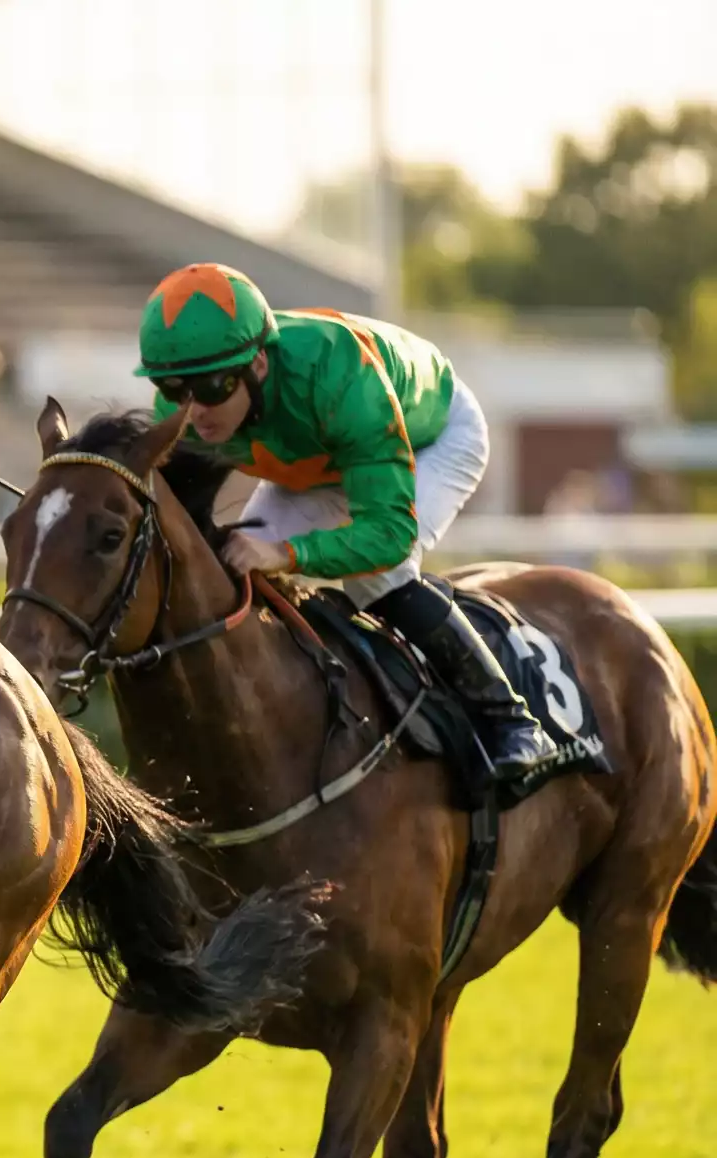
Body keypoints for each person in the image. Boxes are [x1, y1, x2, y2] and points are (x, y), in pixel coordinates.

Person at [138, 262, 550, 783]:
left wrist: (287, 553)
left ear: (258, 365)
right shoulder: (183, 411)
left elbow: (388, 536)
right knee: (232, 566)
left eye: (213, 387)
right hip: (316, 460)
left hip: (429, 439)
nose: (194, 410)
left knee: (377, 575)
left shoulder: (338, 376)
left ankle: (511, 720)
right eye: (175, 389)